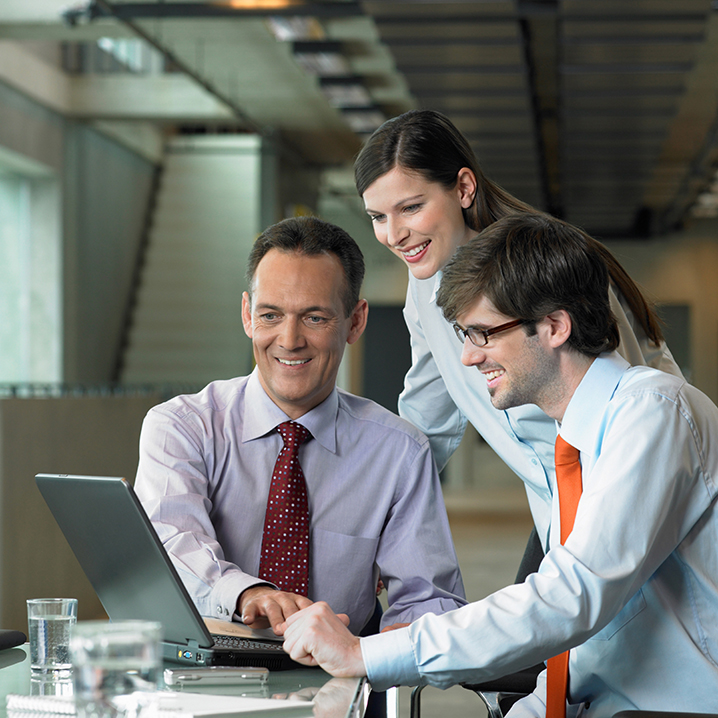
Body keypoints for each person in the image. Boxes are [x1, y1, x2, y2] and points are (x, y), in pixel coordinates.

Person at [280, 213, 718, 716]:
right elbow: (585, 651)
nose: (468, 358)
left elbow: (572, 598)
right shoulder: (573, 444)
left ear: (554, 326)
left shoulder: (654, 414)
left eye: (483, 334)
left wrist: (367, 653)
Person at [354, 109, 681, 544]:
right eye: (378, 217)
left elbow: (631, 406)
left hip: (628, 498)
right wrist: (374, 521)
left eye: (411, 208)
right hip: (556, 508)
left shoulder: (550, 266)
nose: (394, 235)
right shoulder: (424, 290)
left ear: (464, 188)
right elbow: (428, 418)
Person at [133, 215, 466, 637]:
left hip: (339, 666)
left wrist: (393, 645)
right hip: (207, 664)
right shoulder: (182, 428)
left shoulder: (399, 452)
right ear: (247, 315)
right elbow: (171, 544)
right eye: (271, 315)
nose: (289, 340)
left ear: (356, 322)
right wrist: (247, 594)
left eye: (315, 318)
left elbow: (430, 599)